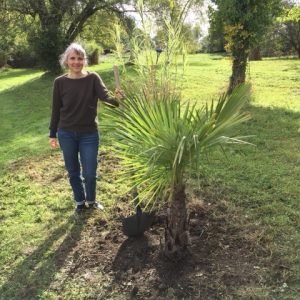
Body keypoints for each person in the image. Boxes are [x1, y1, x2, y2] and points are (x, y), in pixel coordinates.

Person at [49, 42, 122, 213]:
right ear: (66, 61)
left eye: (80, 58)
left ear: (84, 60)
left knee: (89, 172)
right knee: (73, 171)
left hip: (89, 134)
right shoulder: (59, 82)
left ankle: (92, 200)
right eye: (72, 58)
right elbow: (55, 110)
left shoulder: (93, 78)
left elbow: (106, 98)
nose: (76, 62)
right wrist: (53, 133)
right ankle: (80, 202)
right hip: (66, 133)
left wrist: (117, 98)